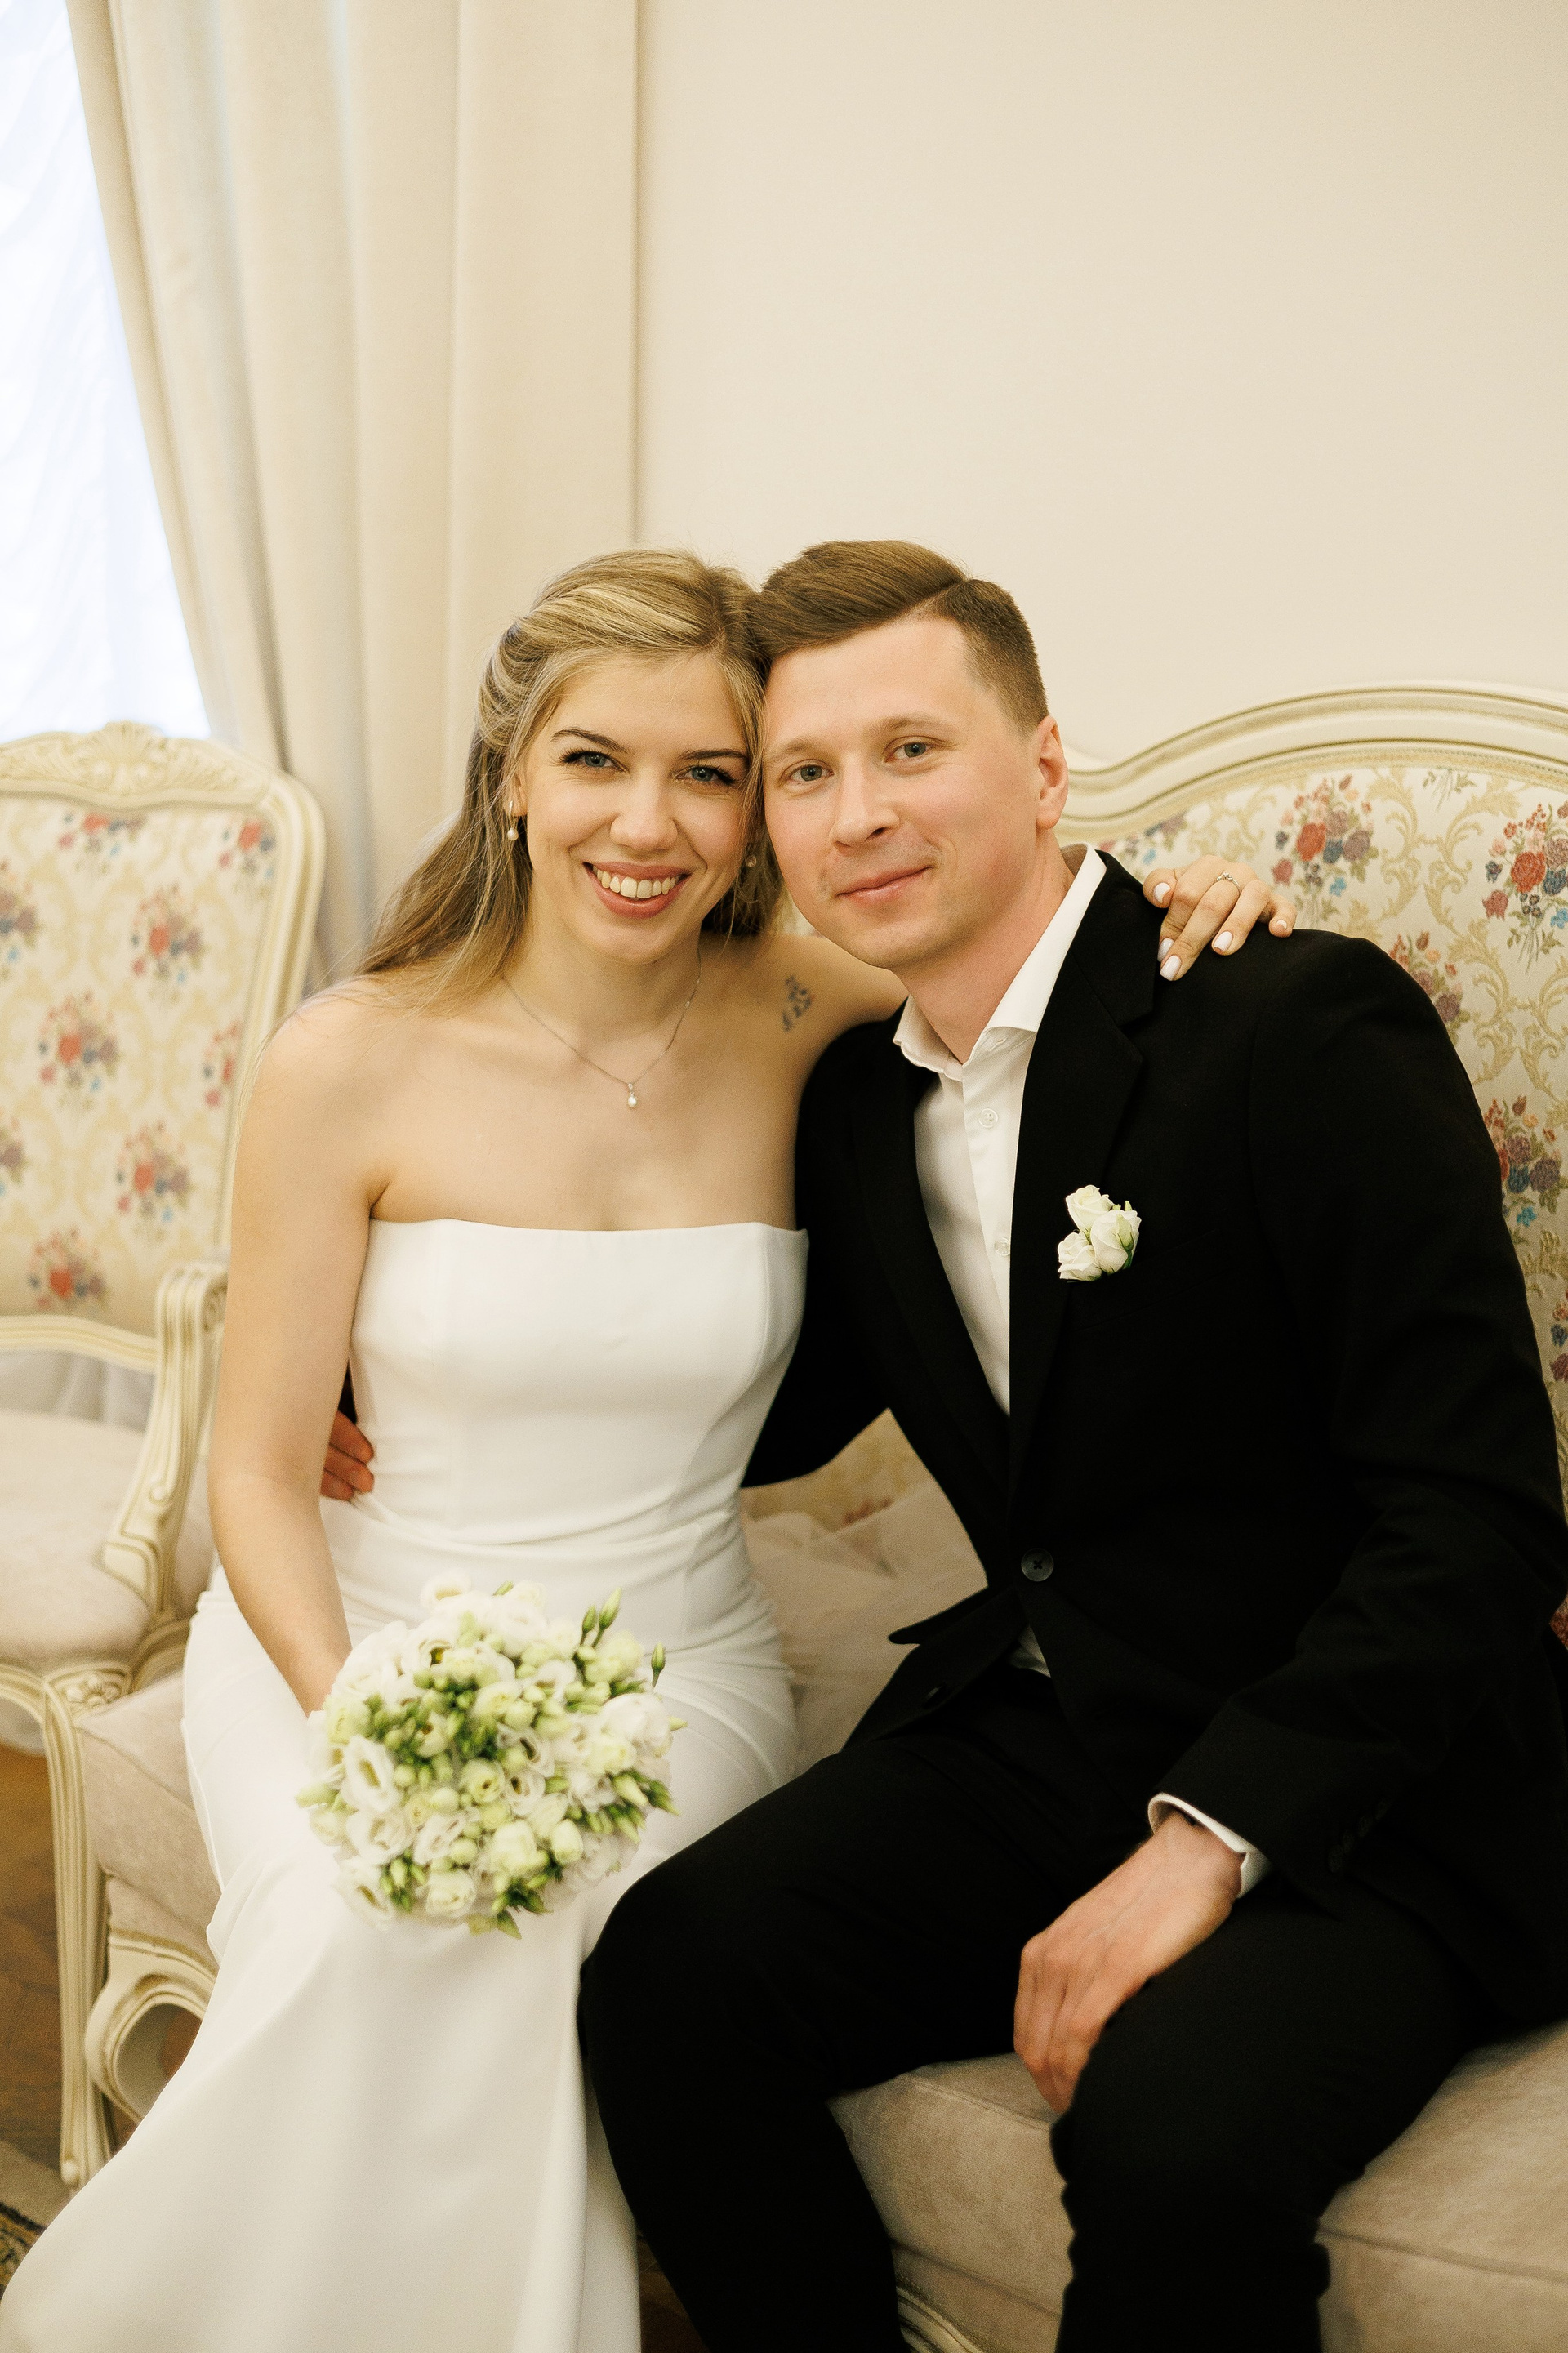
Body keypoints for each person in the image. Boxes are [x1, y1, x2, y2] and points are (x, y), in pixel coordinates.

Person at [0, 546, 1281, 2353]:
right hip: (349, 1629)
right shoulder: (346, 1060)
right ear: (513, 774)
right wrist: (360, 1711)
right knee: (373, 1922)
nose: (649, 824)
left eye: (711, 774)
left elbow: (1027, 953)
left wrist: (1188, 898)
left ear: (755, 811)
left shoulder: (802, 1008)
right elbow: (261, 1473)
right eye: (596, 759)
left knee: (548, 1931)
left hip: (671, 1662)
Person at [578, 540, 1568, 2353]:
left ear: (1044, 766)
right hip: (1059, 1720)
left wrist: (1207, 1841)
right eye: (805, 773)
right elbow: (744, 1390)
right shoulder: (856, 1105)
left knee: (1170, 2134)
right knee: (669, 1972)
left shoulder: (1289, 1019)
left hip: (1379, 1781)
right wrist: (389, 1363)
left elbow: (1481, 1520)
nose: (860, 814)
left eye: (912, 749)